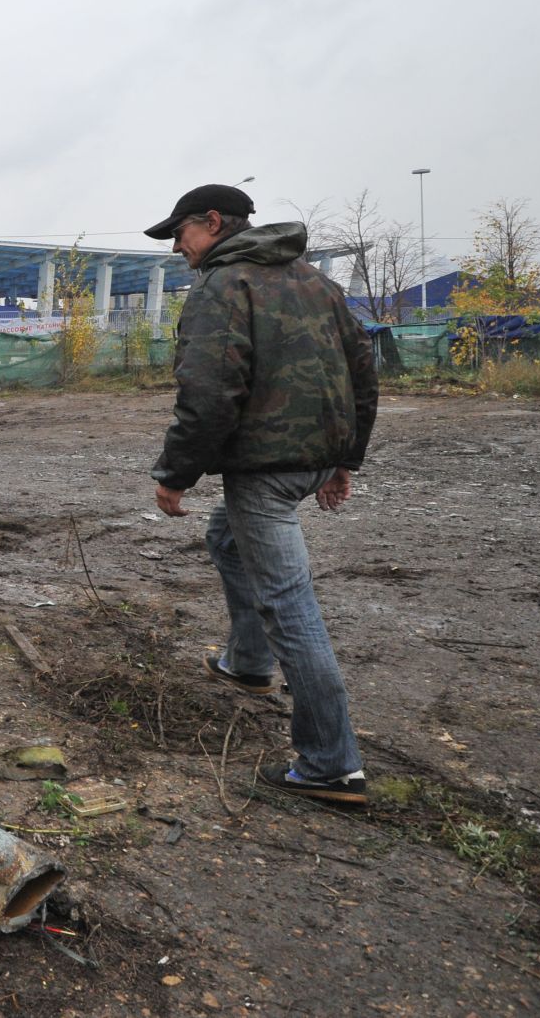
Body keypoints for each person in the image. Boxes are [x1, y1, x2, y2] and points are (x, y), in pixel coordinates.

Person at [143, 184, 378, 806]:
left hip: (266, 469)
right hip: (311, 458)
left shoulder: (224, 287)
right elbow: (362, 370)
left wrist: (175, 475)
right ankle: (247, 663)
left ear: (213, 223)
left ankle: (331, 763)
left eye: (180, 233)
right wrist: (340, 459)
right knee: (225, 537)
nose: (176, 247)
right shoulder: (315, 283)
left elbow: (209, 393)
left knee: (288, 603)